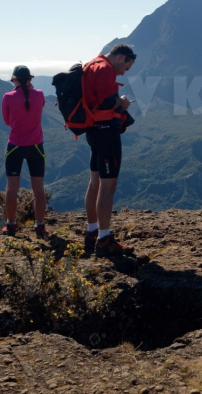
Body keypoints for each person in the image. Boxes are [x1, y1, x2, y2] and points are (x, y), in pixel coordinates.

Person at [82, 44, 136, 257]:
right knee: (108, 185)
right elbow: (106, 101)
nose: (123, 72)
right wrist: (121, 103)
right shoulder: (104, 69)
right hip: (106, 133)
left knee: (94, 182)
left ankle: (92, 232)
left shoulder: (90, 65)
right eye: (126, 67)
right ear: (121, 57)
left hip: (93, 131)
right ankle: (104, 239)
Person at [1, 65, 48, 238]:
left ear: (15, 80)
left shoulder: (8, 97)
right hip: (36, 146)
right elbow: (38, 105)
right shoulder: (40, 95)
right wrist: (31, 89)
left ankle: (11, 225)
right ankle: (40, 226)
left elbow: (7, 121)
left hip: (15, 146)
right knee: (38, 189)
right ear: (29, 80)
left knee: (12, 188)